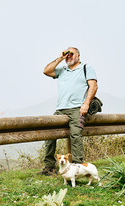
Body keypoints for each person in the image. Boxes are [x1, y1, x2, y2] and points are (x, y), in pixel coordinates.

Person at [40, 47, 98, 176]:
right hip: (60, 109)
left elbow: (93, 86)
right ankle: (49, 167)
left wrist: (86, 104)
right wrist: (61, 57)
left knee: (75, 135)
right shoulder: (62, 70)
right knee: (49, 135)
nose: (69, 56)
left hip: (77, 108)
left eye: (71, 54)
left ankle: (78, 167)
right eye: (67, 54)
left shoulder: (86, 68)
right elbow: (46, 71)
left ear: (78, 56)